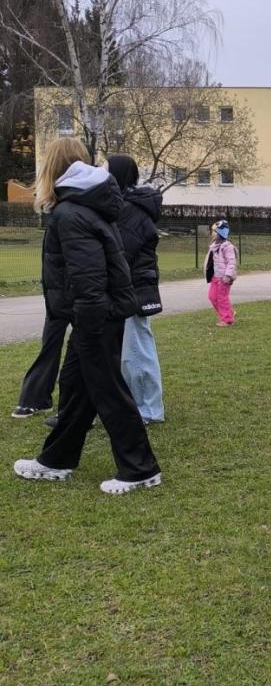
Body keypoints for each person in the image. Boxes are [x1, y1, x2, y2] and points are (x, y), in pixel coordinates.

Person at [12, 137, 161, 493]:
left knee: (109, 391)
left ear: (52, 168)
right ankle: (56, 460)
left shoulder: (71, 213)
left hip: (96, 318)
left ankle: (140, 469)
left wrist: (90, 323)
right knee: (78, 390)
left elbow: (89, 276)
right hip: (95, 317)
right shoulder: (83, 206)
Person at [106, 155, 165, 423]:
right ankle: (133, 402)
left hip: (133, 288)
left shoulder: (130, 210)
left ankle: (148, 409)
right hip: (126, 287)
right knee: (127, 350)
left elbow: (121, 251)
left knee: (136, 350)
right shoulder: (124, 206)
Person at [206, 220, 238, 325]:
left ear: (221, 233)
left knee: (222, 298)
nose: (212, 233)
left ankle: (226, 319)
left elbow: (231, 262)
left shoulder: (227, 246)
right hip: (215, 276)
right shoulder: (214, 246)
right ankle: (229, 312)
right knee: (212, 296)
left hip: (224, 278)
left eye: (214, 231)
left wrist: (228, 275)